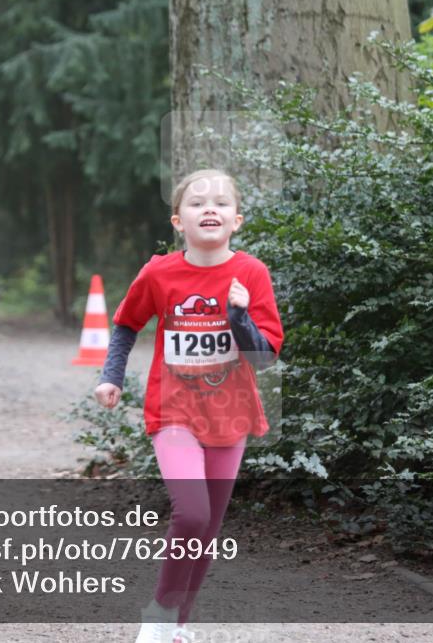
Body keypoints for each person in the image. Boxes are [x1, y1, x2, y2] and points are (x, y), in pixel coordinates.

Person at [94, 169, 284, 643]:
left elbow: (262, 358)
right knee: (193, 515)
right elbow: (125, 324)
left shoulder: (251, 274)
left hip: (231, 415)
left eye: (221, 202)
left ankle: (178, 627)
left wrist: (239, 316)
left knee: (207, 531)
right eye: (198, 203)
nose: (210, 208)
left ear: (236, 220)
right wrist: (110, 376)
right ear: (179, 221)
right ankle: (159, 614)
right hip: (174, 411)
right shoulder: (159, 272)